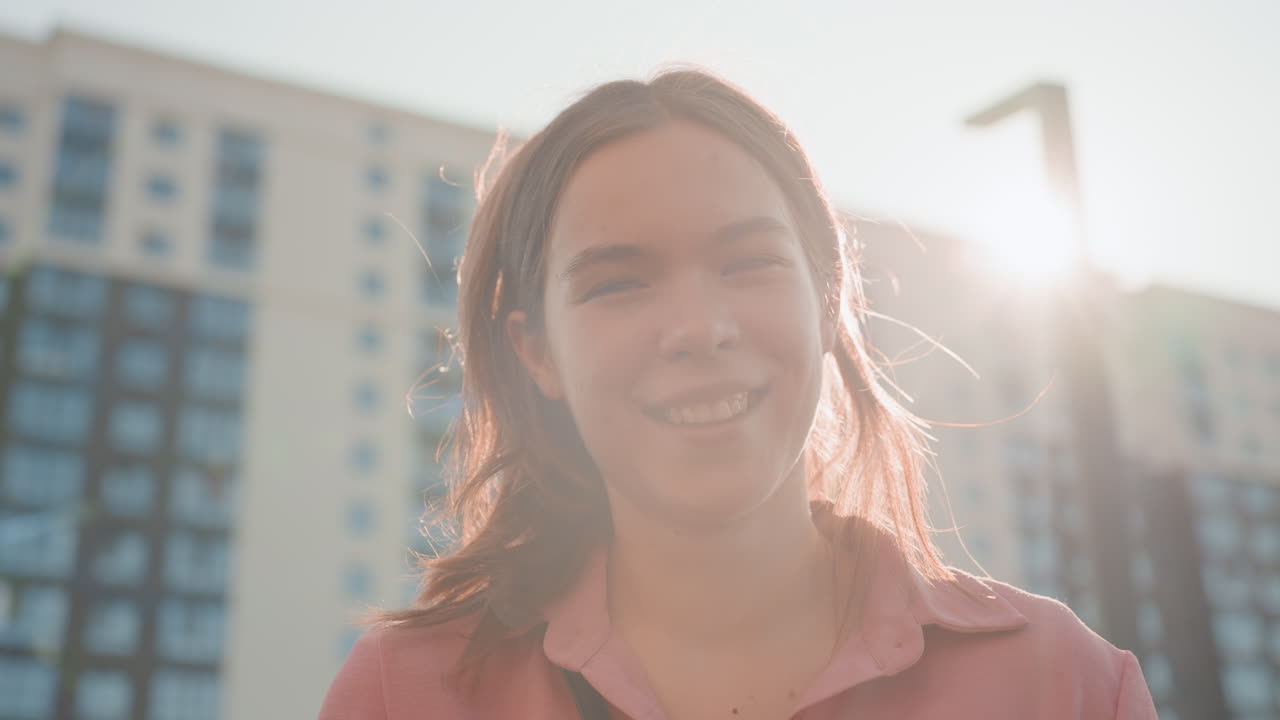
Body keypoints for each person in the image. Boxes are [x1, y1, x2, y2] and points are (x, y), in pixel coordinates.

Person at [318, 69, 1157, 720]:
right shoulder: (405, 692)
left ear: (830, 300)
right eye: (618, 283)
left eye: (747, 262)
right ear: (536, 352)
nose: (698, 328)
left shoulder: (1062, 682)